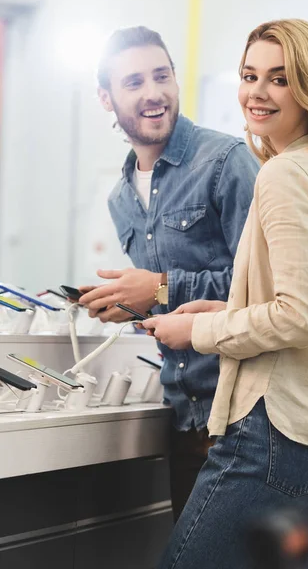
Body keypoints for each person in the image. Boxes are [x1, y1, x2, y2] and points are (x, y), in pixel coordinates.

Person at [143, 18, 308, 569]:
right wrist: (226, 309)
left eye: (279, 78)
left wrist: (195, 330)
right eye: (249, 75)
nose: (257, 93)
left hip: (275, 430)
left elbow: (300, 317)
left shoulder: (285, 175)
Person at [78, 26, 259, 521]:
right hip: (185, 417)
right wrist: (135, 304)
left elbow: (269, 288)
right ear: (106, 98)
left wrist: (160, 285)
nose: (153, 93)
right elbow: (174, 304)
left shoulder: (226, 162)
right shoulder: (120, 198)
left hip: (247, 418)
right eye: (133, 82)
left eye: (162, 76)